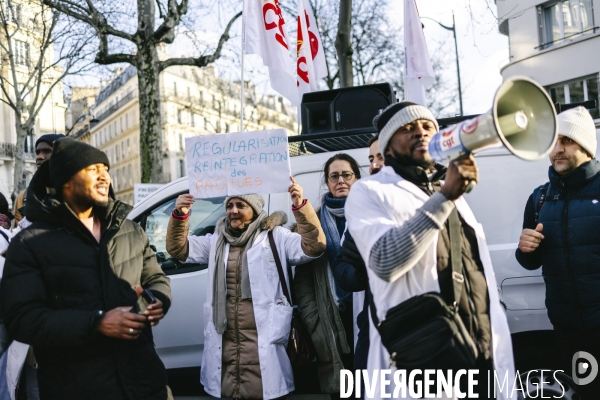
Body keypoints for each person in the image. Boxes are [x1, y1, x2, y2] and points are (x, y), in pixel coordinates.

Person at [345, 102, 514, 399]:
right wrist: (447, 195)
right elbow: (385, 261)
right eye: (407, 128)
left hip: (478, 345)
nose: (420, 133)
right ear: (386, 145)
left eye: (427, 127)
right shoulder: (369, 191)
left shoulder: (447, 190)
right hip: (424, 353)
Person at [1, 138, 172, 400]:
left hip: (145, 382)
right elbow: (22, 319)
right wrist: (96, 323)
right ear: (66, 181)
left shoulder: (129, 230)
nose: (104, 177)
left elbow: (156, 278)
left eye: (106, 169)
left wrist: (157, 300)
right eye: (93, 170)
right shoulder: (29, 244)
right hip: (76, 387)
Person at [165, 179, 325, 400]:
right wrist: (180, 215)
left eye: (241, 205)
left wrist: (300, 206)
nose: (233, 211)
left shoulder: (276, 237)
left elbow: (314, 246)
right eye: (230, 206)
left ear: (255, 209)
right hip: (227, 341)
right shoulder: (216, 242)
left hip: (264, 340)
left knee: (264, 391)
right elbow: (178, 248)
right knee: (229, 392)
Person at [516, 106, 600, 399]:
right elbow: (530, 261)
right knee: (585, 393)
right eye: (553, 142)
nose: (557, 150)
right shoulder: (540, 198)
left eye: (566, 140)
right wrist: (525, 250)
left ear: (587, 146)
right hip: (568, 330)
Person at [294, 153, 362, 397]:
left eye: (346, 174)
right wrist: (313, 317)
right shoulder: (314, 222)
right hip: (332, 315)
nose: (341, 180)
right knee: (343, 390)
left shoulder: (370, 214)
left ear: (356, 178)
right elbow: (303, 278)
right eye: (334, 176)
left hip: (366, 311)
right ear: (327, 181)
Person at [13, 133, 65, 226]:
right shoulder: (24, 197)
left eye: (47, 151)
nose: (39, 157)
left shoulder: (74, 191)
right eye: (37, 152)